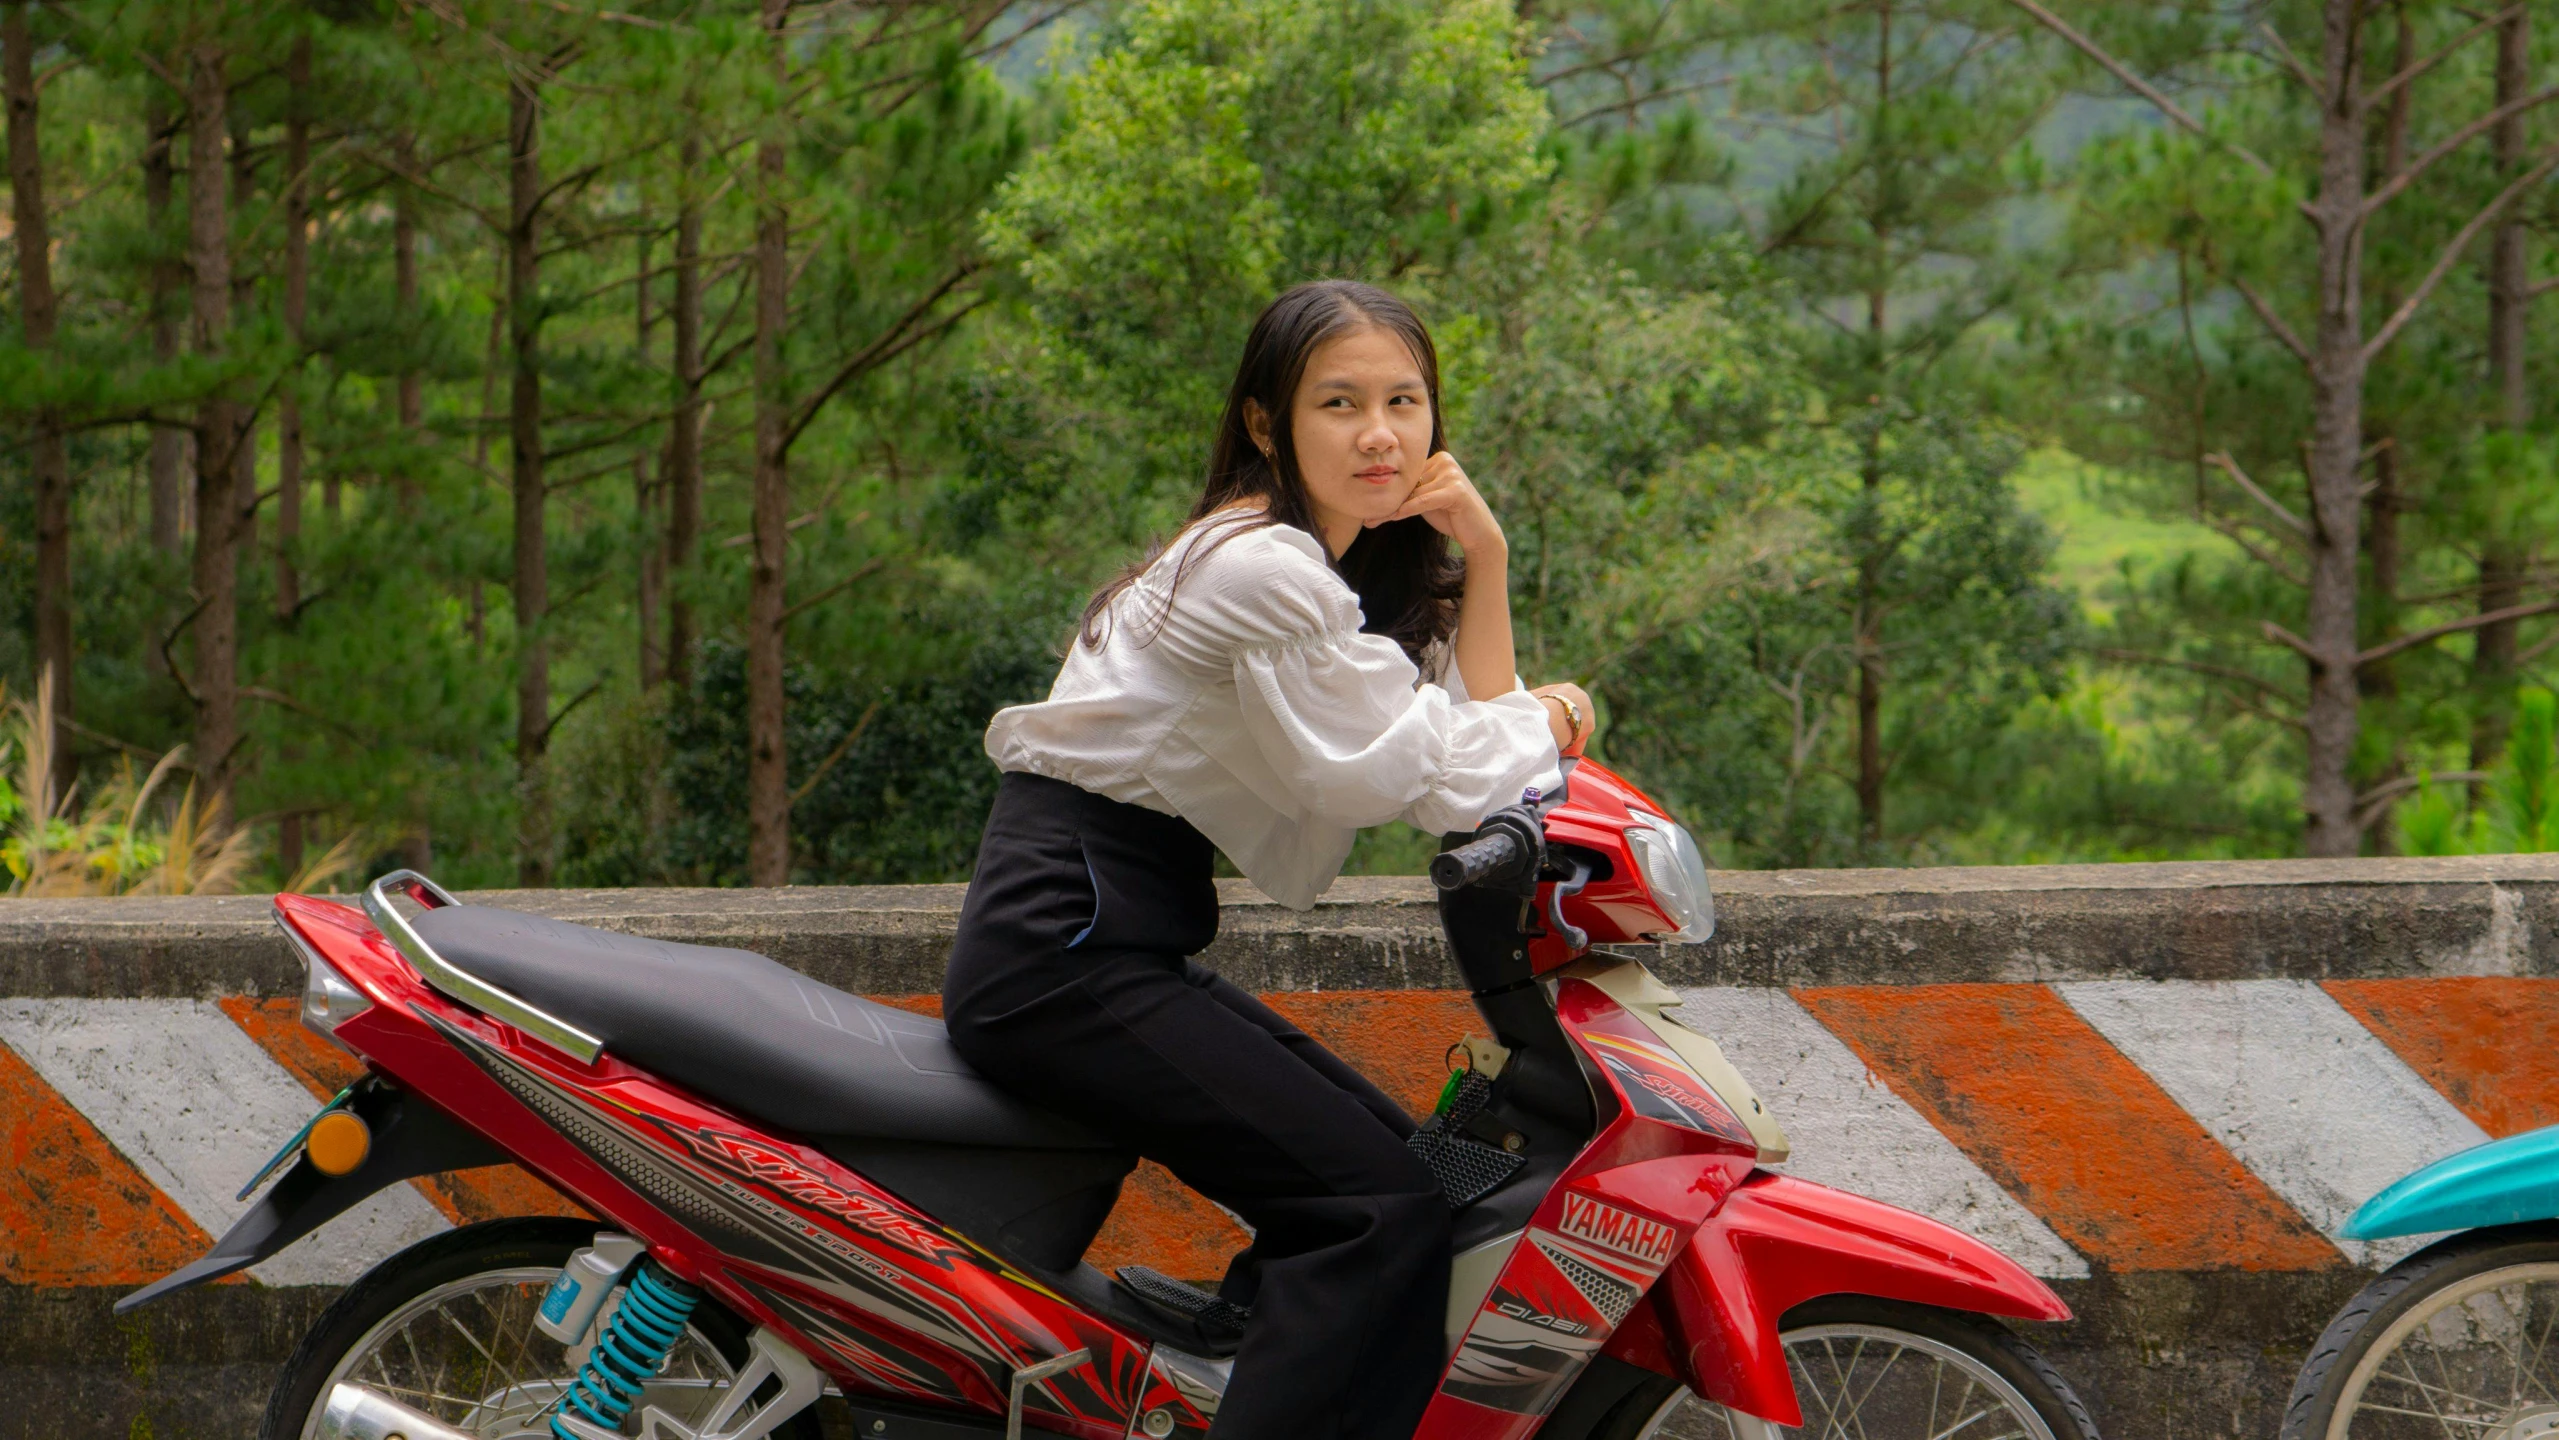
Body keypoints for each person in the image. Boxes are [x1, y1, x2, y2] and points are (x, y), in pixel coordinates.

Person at [942, 279, 1596, 1440]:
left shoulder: (1324, 569)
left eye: (1406, 401)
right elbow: (1417, 769)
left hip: (1114, 936)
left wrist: (1483, 553)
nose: (1381, 433)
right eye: (1339, 403)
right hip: (1067, 951)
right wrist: (1555, 718)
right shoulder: (1258, 568)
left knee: (1434, 1173)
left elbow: (1470, 718)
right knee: (1380, 1209)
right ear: (1265, 424)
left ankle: (1234, 1343)